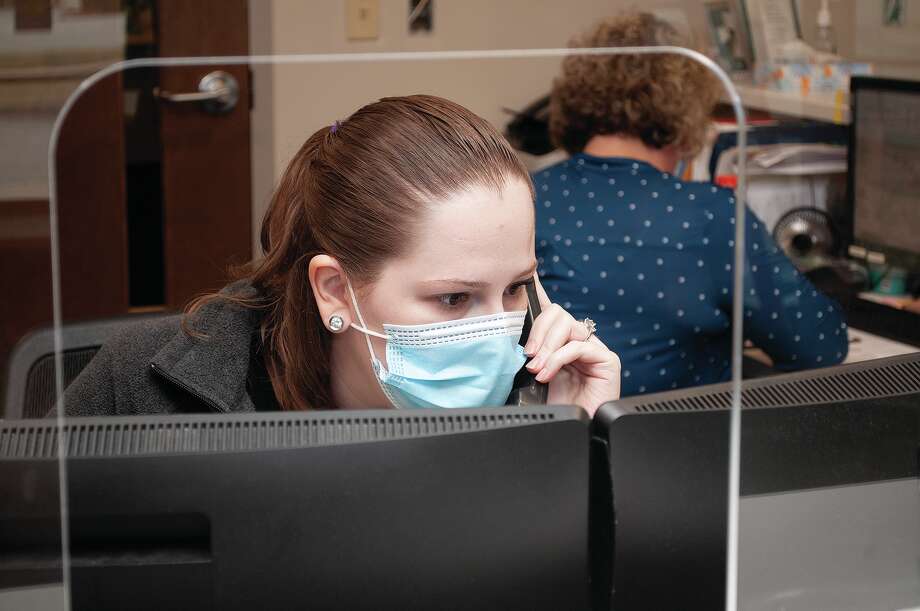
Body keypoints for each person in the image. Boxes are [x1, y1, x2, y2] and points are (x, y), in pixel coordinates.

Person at [62, 95, 620, 417]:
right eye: (454, 297)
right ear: (334, 290)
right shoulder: (141, 385)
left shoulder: (537, 394)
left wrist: (578, 437)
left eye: (517, 287)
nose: (498, 334)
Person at [534, 13, 847, 397]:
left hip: (555, 442)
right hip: (679, 445)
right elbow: (820, 347)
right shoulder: (711, 215)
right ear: (685, 111)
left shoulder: (526, 196)